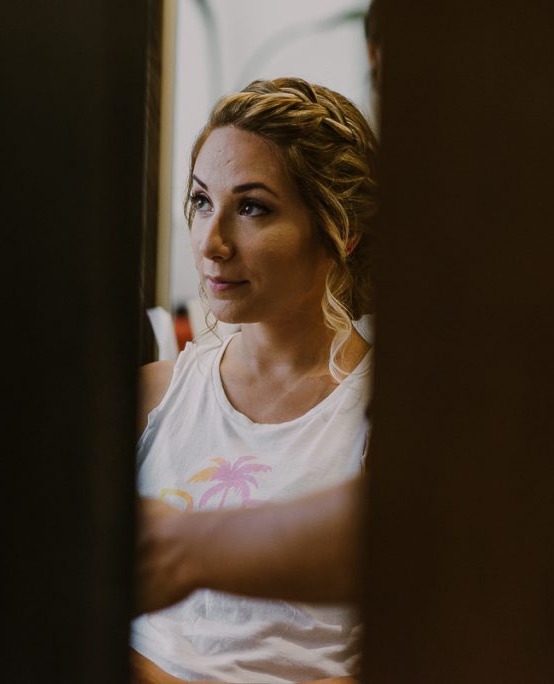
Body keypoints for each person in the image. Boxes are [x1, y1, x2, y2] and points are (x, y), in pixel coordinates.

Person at [130, 77, 377, 684]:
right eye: (201, 202)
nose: (212, 243)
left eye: (252, 207)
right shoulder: (153, 398)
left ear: (341, 230)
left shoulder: (379, 421)